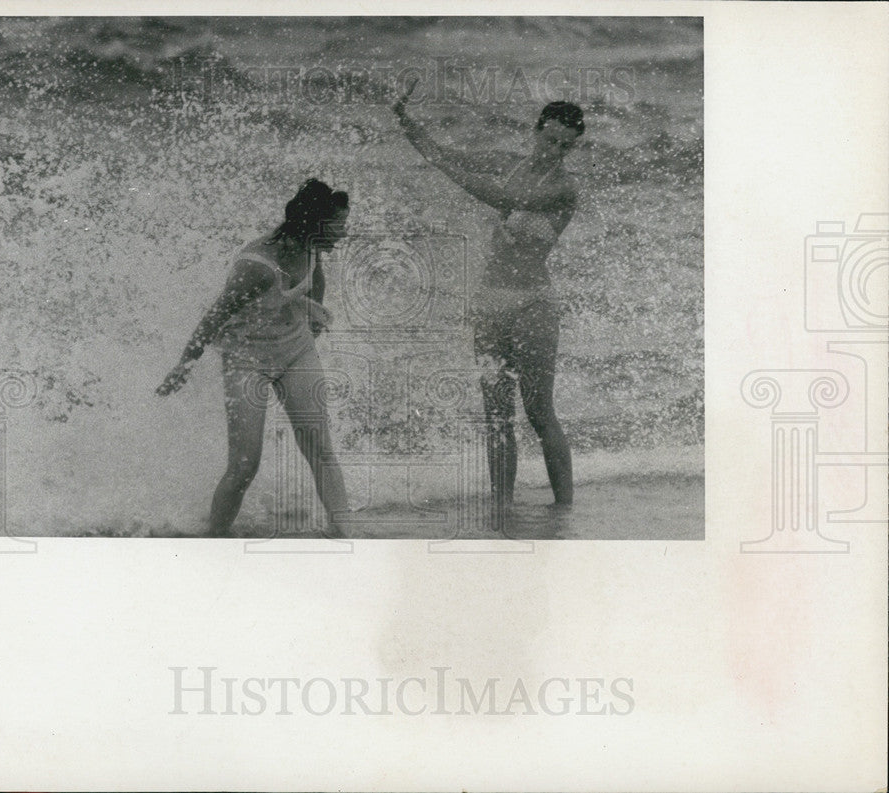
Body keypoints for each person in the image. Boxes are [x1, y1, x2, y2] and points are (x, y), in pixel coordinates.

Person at [393, 80, 582, 520]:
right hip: (489, 303)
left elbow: (505, 198)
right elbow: (443, 154)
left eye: (564, 145)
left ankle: (565, 511)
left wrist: (452, 173)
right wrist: (407, 123)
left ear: (571, 149)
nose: (554, 150)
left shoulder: (564, 189)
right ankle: (501, 509)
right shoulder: (505, 163)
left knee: (538, 411)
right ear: (536, 131)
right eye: (549, 138)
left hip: (533, 303)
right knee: (496, 415)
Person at [157, 179, 350, 538]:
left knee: (320, 448)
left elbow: (315, 281)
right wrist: (185, 363)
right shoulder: (258, 267)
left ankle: (347, 534)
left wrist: (311, 313)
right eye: (338, 227)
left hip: (295, 351)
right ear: (314, 223)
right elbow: (213, 317)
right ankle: (213, 541)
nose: (343, 234)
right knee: (245, 465)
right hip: (246, 358)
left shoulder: (312, 247)